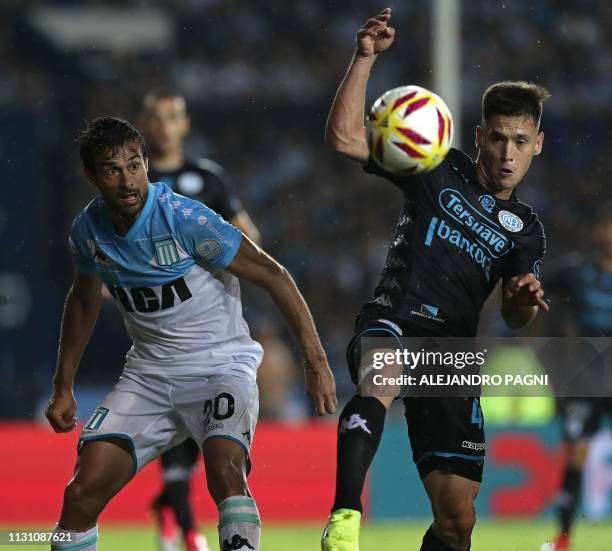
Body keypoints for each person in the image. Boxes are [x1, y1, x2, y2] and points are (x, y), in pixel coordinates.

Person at [45, 116, 337, 551]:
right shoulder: (87, 232)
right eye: (111, 169)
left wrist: (315, 364)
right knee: (79, 495)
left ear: (146, 163)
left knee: (224, 472)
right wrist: (63, 385)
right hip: (149, 376)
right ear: (91, 176)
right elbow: (84, 301)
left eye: (134, 165)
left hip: (219, 367)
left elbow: (274, 275)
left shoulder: (185, 220)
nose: (127, 180)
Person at [321, 8, 549, 551]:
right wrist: (364, 58)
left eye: (520, 140)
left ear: (538, 144)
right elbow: (343, 137)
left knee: (457, 522)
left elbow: (516, 319)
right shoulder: (435, 164)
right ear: (479, 137)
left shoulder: (528, 232)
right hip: (395, 318)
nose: (508, 154)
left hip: (450, 353)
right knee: (382, 373)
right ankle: (345, 520)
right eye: (498, 139)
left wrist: (520, 298)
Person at [139, 88, 261, 551]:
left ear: (184, 125)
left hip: (210, 331)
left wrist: (206, 251)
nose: (164, 125)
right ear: (143, 125)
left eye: (172, 116)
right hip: (155, 334)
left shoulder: (207, 179)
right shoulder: (133, 186)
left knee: (208, 437)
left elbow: (249, 238)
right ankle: (185, 527)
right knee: (175, 435)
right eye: (155, 116)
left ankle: (179, 520)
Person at [543, 206, 612, 551]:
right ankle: (563, 539)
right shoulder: (577, 271)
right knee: (575, 458)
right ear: (599, 232)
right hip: (587, 379)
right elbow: (532, 282)